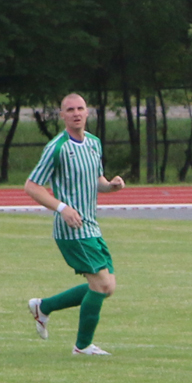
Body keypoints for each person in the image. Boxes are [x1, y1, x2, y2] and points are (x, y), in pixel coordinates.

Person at [24, 93, 125, 356]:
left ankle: (43, 307)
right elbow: (31, 186)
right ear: (62, 115)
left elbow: (97, 180)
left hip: (91, 225)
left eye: (80, 108)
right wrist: (62, 208)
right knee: (101, 285)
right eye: (70, 109)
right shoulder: (57, 147)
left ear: (87, 112)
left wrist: (110, 186)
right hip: (71, 229)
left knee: (107, 287)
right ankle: (82, 347)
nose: (76, 113)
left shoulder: (93, 143)